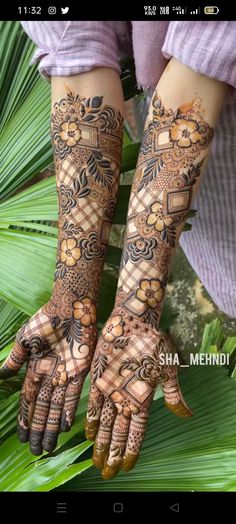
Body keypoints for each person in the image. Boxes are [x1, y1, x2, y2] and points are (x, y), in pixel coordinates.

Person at [0, 21, 233, 480]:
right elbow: (76, 53)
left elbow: (199, 69)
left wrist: (135, 310)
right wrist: (73, 297)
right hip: (210, 161)